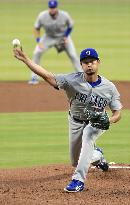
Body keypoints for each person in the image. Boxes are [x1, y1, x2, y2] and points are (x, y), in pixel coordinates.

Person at [13, 47, 122, 192]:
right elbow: (47, 76)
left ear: (98, 62)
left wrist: (109, 120)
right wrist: (26, 59)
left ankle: (78, 180)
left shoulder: (109, 87)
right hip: (75, 121)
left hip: (96, 123)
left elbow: (117, 112)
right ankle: (98, 156)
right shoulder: (71, 80)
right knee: (75, 161)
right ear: (81, 65)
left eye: (92, 62)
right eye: (85, 62)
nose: (89, 65)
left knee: (89, 135)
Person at [28, 0, 82, 85]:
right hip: (48, 37)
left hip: (62, 37)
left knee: (73, 55)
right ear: (48, 8)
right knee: (37, 52)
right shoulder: (42, 16)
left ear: (56, 8)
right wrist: (39, 41)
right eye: (50, 8)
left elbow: (71, 26)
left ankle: (82, 77)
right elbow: (36, 28)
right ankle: (34, 77)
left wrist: (66, 36)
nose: (52, 9)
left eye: (53, 8)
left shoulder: (64, 15)